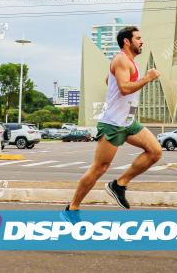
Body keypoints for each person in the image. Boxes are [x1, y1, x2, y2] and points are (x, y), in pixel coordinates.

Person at [65, 26, 162, 212]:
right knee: (100, 167)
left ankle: (119, 184)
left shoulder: (128, 62)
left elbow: (108, 80)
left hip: (128, 121)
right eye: (138, 38)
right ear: (127, 41)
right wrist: (147, 78)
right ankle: (73, 207)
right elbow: (125, 88)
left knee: (155, 151)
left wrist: (116, 84)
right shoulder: (120, 59)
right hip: (113, 123)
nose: (142, 41)